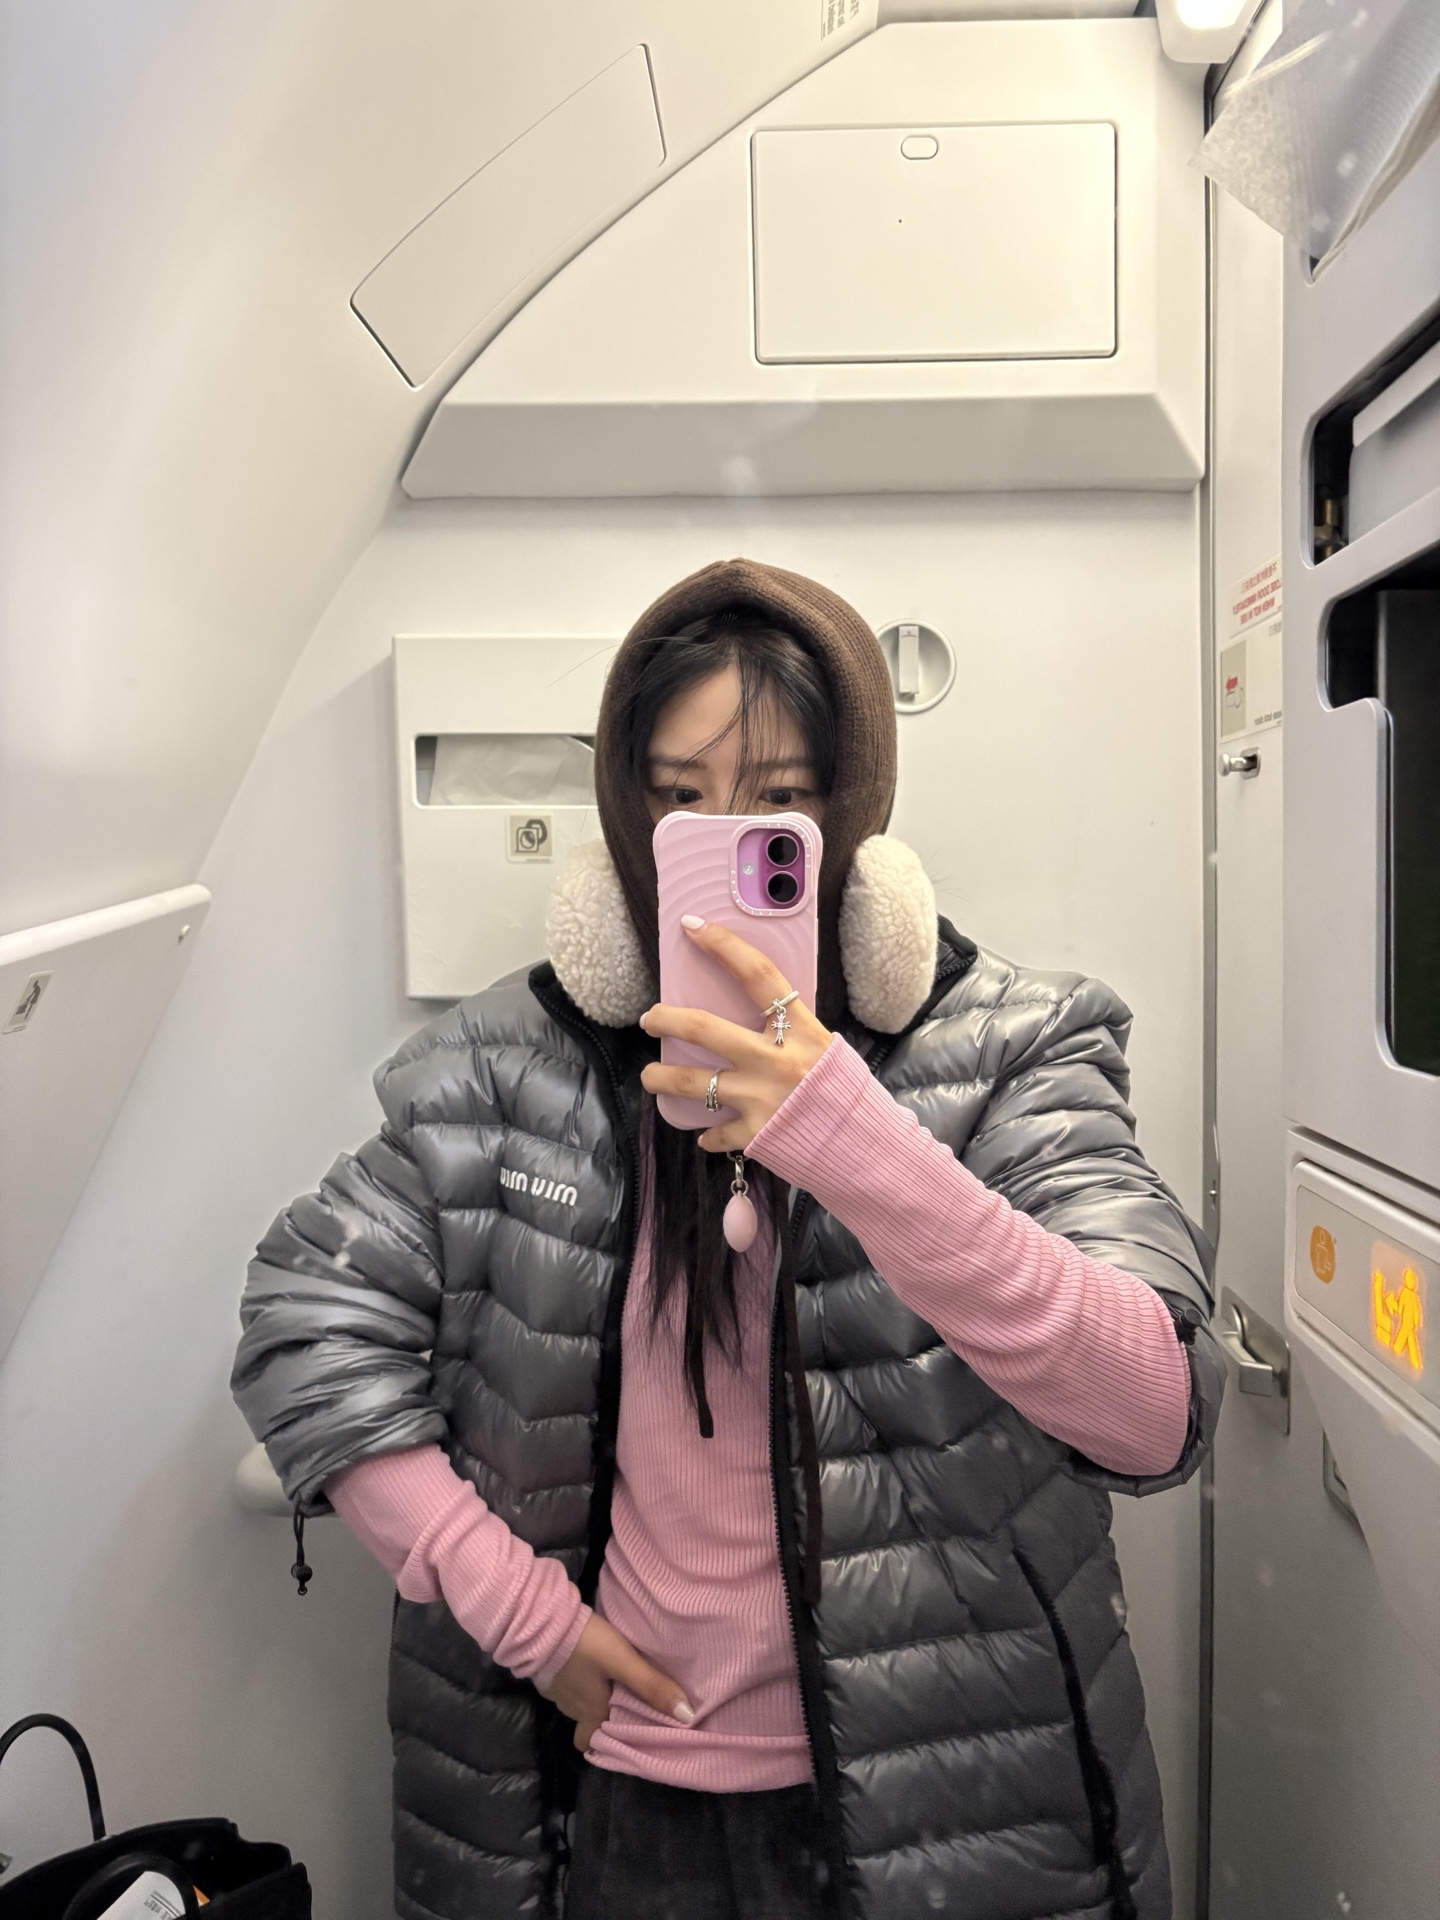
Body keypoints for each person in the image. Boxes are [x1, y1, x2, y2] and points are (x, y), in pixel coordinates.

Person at [232, 558, 1224, 1920]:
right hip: (624, 1801)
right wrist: (526, 1621)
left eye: (779, 799)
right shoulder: (504, 1069)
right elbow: (305, 1325)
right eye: (677, 796)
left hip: (956, 1791)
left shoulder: (1014, 1050)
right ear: (622, 809)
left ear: (853, 814)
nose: (720, 841)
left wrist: (848, 1136)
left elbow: (1155, 1412)